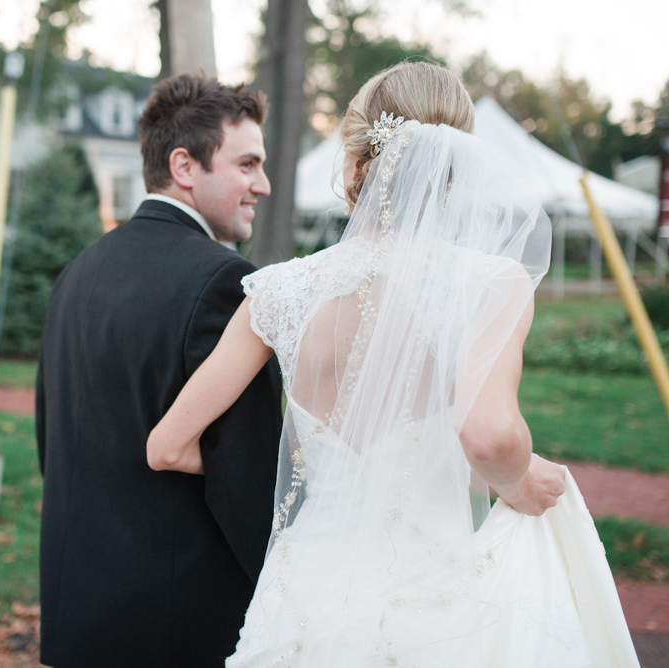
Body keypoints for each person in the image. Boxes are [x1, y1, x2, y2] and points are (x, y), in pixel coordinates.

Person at [149, 62, 640, 667]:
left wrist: (293, 473)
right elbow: (488, 437)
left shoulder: (278, 293)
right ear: (458, 167)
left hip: (300, 602)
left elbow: (168, 446)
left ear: (356, 165)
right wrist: (519, 477)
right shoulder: (491, 284)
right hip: (428, 603)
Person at [35, 74, 284, 668]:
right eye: (247, 164)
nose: (263, 185)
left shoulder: (78, 273)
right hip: (181, 629)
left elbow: (52, 440)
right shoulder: (223, 285)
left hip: (79, 620)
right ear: (185, 166)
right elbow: (249, 474)